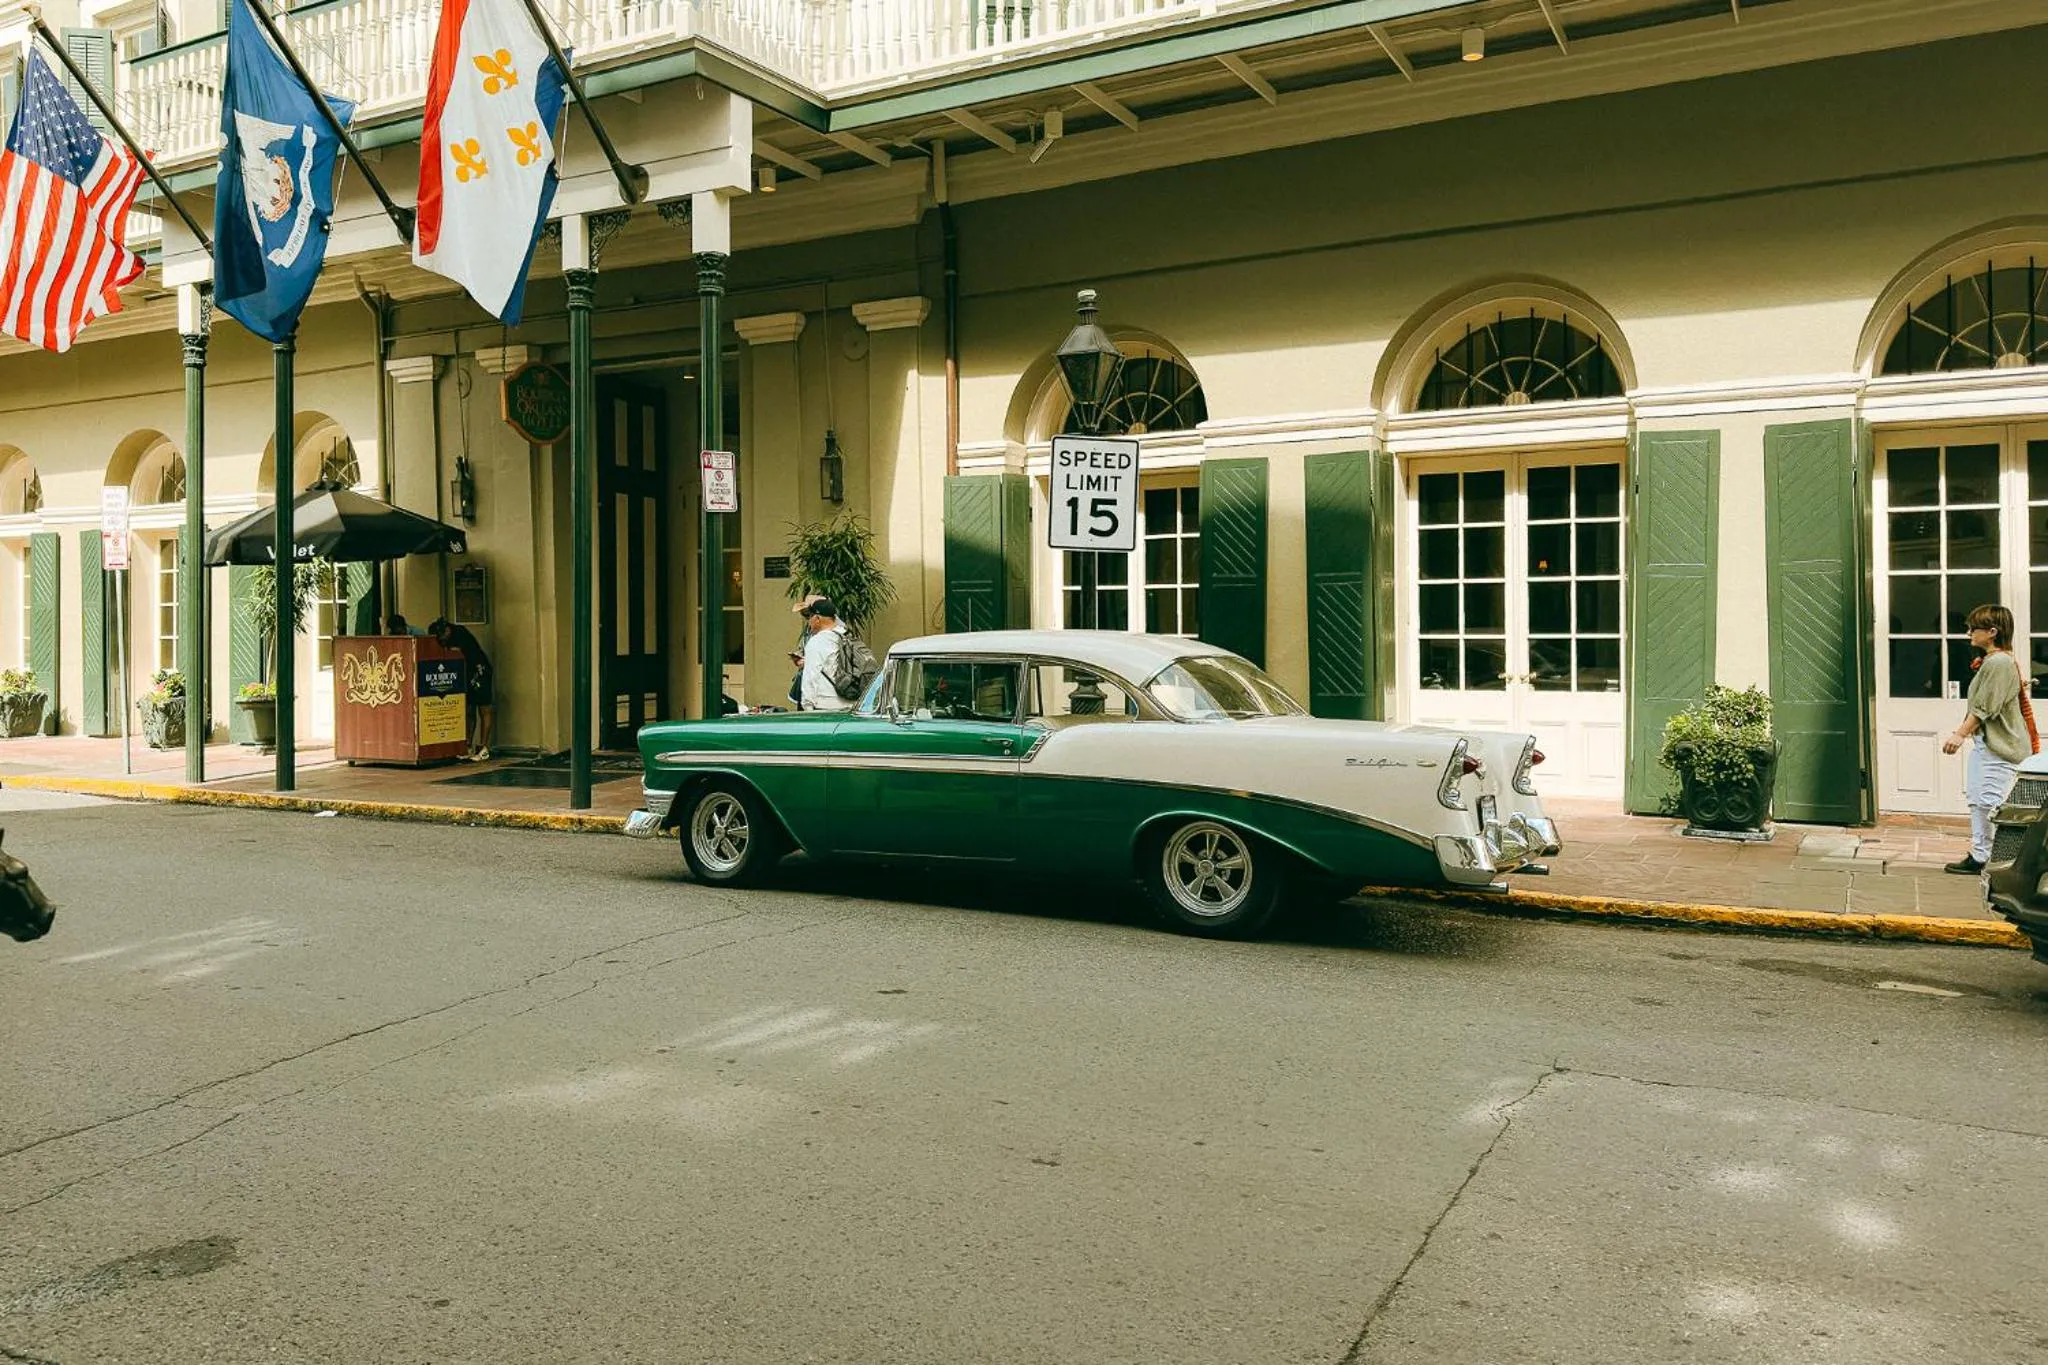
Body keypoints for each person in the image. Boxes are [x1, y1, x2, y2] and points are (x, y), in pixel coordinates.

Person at [1941, 603, 2038, 874]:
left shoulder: (1999, 662)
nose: (1969, 633)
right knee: (1979, 799)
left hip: (2000, 747)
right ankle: (1982, 854)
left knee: (1991, 802)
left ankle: (1998, 859)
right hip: (1989, 745)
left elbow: (1985, 707)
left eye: (1974, 628)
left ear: (1992, 632)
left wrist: (1960, 734)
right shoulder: (1996, 661)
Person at [429, 618, 495, 761]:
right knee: (469, 710)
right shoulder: (446, 640)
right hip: (468, 674)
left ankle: (483, 747)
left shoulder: (460, 634)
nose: (442, 641)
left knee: (484, 709)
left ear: (446, 630)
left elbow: (469, 654)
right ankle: (468, 745)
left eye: (442, 637)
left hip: (480, 671)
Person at [798, 598, 858, 713]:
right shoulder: (847, 636)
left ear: (817, 618)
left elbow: (811, 677)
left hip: (826, 707)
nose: (809, 622)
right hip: (851, 705)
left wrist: (807, 706)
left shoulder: (817, 642)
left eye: (809, 617)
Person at [788, 594, 824, 707]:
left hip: (820, 687)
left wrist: (808, 662)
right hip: (805, 682)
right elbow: (802, 648)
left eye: (808, 615)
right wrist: (798, 658)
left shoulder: (829, 634)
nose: (807, 618)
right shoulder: (808, 630)